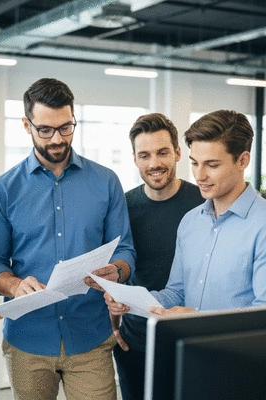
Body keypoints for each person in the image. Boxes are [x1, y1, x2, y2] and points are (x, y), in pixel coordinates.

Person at [0, 78, 136, 400]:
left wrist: (117, 271)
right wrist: (14, 286)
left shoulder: (106, 181)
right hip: (28, 340)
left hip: (91, 337)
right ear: (26, 125)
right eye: (46, 130)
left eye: (66, 128)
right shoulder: (4, 189)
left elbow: (125, 248)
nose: (57, 139)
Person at [107, 110, 266, 337]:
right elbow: (176, 293)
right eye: (194, 163)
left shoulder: (262, 225)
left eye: (212, 165)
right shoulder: (191, 222)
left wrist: (196, 319)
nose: (199, 175)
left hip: (239, 363)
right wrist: (129, 301)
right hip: (188, 356)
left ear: (243, 160)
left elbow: (262, 315)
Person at [112, 113, 204, 400]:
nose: (154, 164)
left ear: (178, 153)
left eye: (163, 152)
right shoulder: (122, 207)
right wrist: (112, 326)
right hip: (134, 340)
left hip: (190, 337)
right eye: (145, 155)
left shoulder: (203, 202)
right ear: (135, 159)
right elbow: (113, 269)